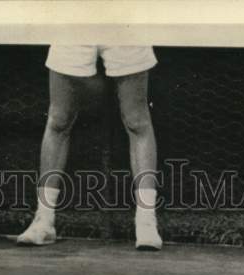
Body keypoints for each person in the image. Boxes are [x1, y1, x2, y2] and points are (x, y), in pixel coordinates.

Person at [18, 45, 162, 251]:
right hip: (75, 24)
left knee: (137, 121)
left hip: (123, 24)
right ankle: (44, 220)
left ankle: (146, 221)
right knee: (58, 120)